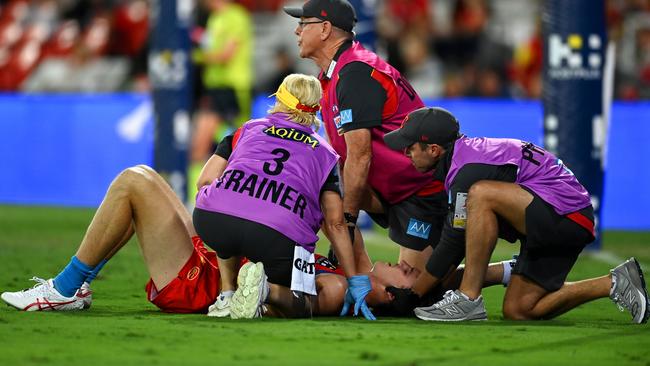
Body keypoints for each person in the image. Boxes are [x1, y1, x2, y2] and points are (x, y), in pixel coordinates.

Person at [382, 106, 650, 323]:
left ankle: (469, 299)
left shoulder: (466, 171)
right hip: (556, 219)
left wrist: (415, 294)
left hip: (566, 216)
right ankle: (614, 282)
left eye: (410, 147)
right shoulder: (464, 160)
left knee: (482, 194)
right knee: (520, 309)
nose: (405, 153)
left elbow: (454, 242)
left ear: (433, 150)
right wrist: (431, 284)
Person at [283, 0, 448, 273]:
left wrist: (345, 224)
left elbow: (360, 156)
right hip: (391, 187)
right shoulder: (335, 72)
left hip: (420, 190)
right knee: (316, 183)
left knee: (412, 292)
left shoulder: (355, 73)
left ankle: (503, 271)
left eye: (303, 24)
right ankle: (356, 273)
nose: (296, 31)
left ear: (325, 29)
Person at [193, 73, 374, 320]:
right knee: (305, 303)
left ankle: (227, 295)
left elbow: (203, 181)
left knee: (228, 206)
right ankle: (267, 291)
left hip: (212, 221)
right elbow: (335, 223)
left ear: (279, 98)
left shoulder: (246, 129)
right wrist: (354, 279)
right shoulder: (325, 153)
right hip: (278, 238)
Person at [189, 0, 254, 200]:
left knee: (237, 149)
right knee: (205, 146)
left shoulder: (236, 16)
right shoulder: (214, 18)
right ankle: (198, 199)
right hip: (215, 89)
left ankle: (227, 198)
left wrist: (192, 56)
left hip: (233, 89)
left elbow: (226, 55)